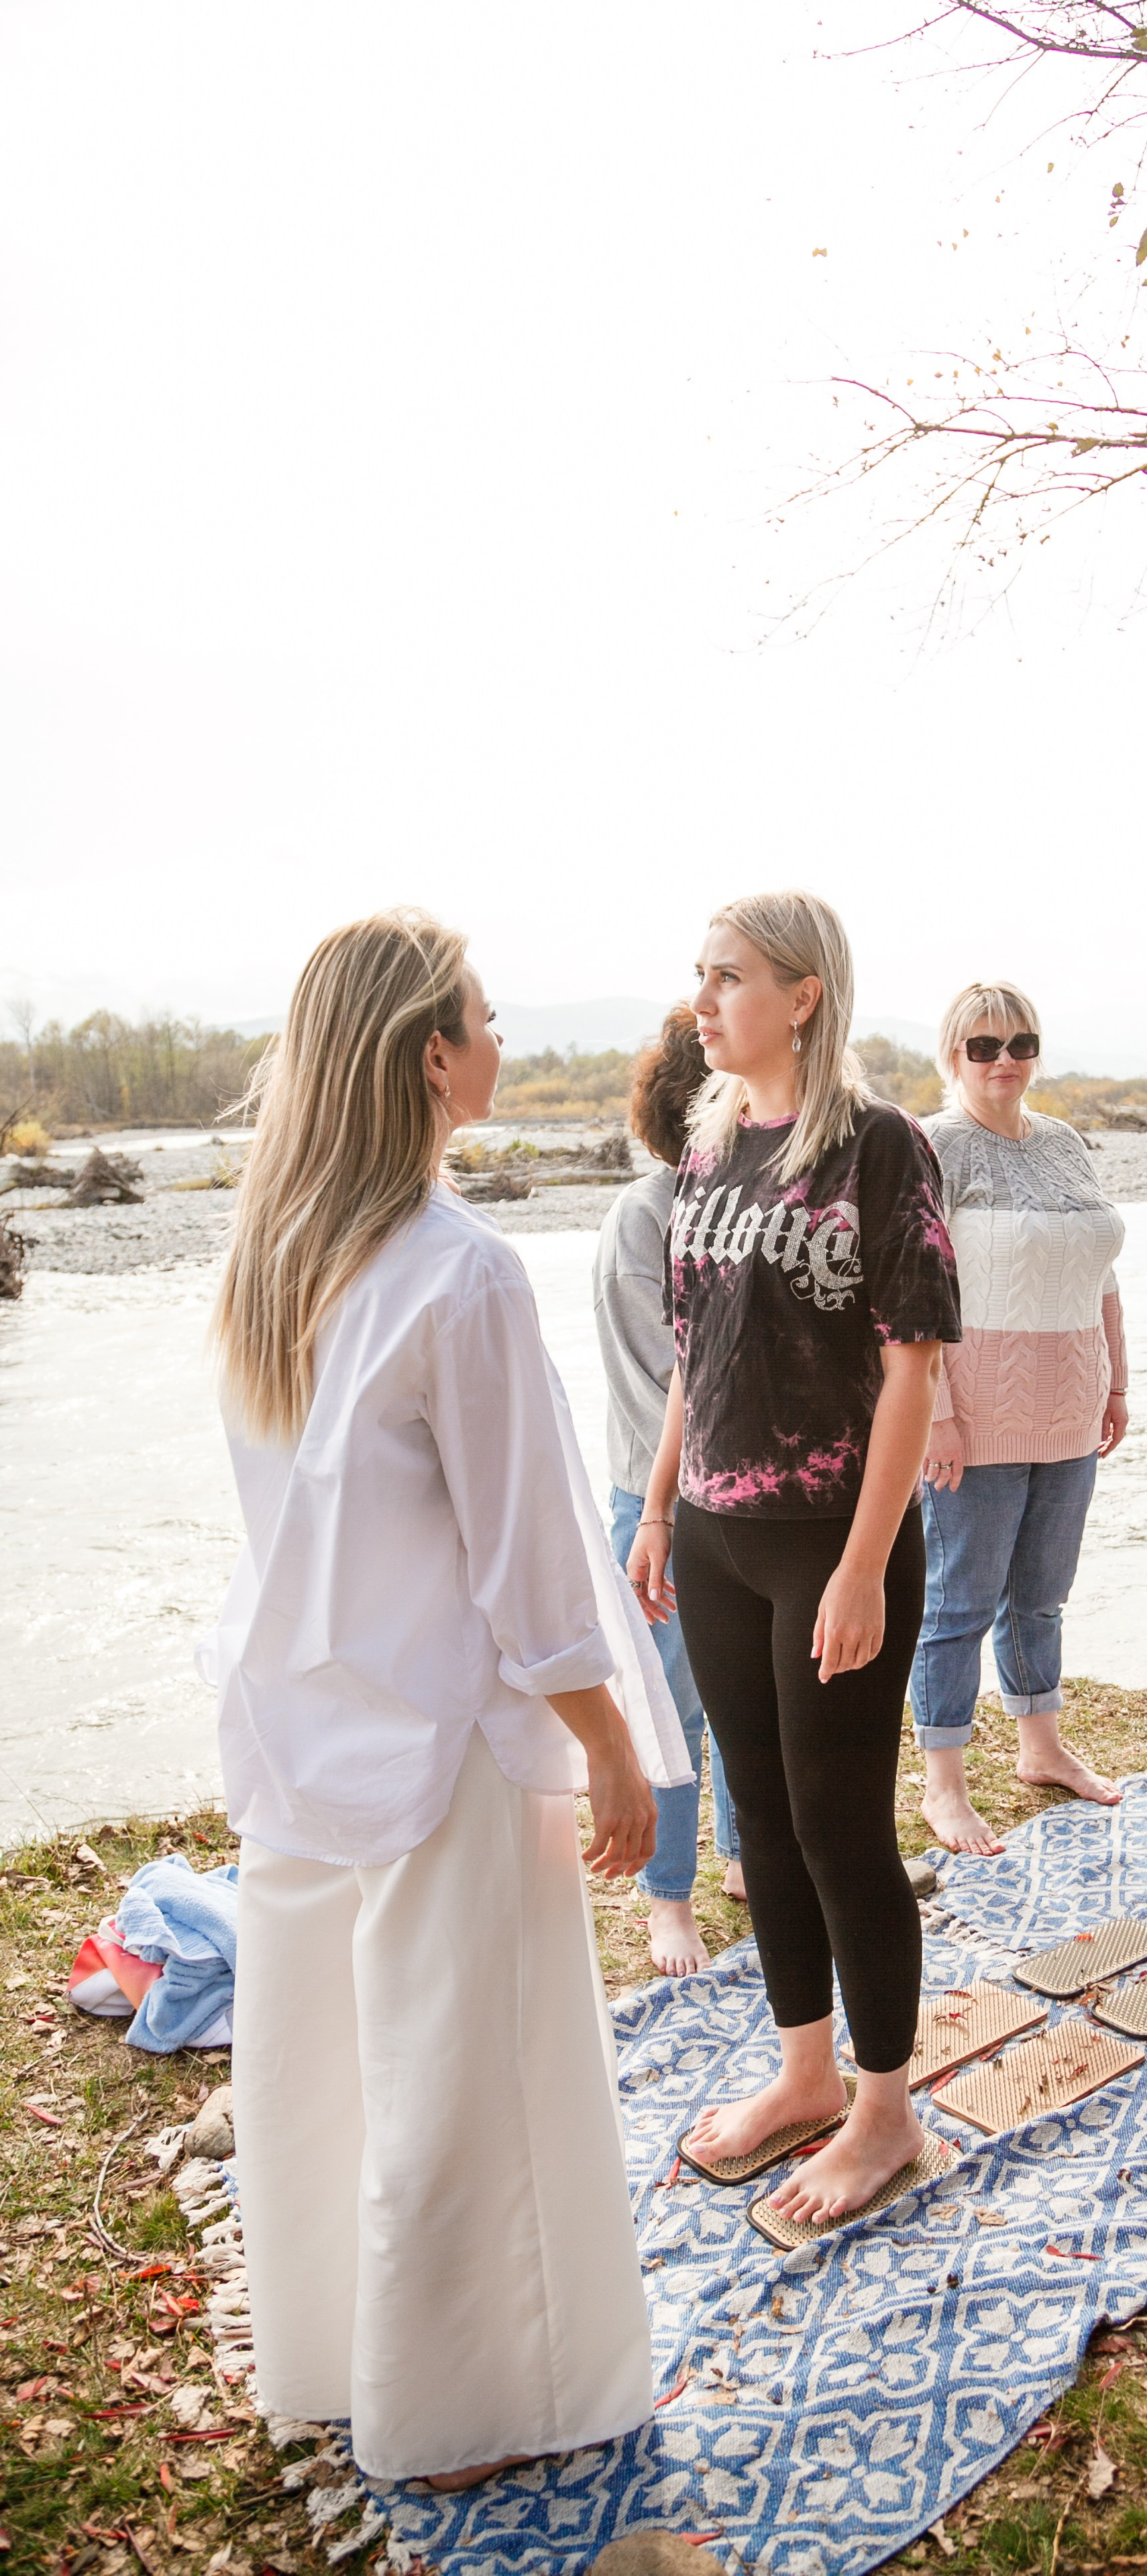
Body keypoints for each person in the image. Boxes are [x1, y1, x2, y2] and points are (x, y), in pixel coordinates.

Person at [207, 909, 688, 2491]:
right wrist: (611, 1749)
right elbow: (529, 1563)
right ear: (429, 1055)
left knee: (319, 2064)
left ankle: (336, 2363)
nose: (500, 1039)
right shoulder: (456, 1274)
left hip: (299, 1714)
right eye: (482, 1016)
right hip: (442, 1736)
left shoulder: (271, 1251)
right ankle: (468, 2410)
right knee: (466, 2075)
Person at [626, 891, 961, 2229]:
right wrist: (656, 1516)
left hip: (833, 1541)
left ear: (804, 993)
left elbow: (911, 1373)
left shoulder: (878, 1149)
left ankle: (886, 2114)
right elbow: (688, 1364)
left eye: (730, 979)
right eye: (700, 977)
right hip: (713, 1538)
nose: (704, 1003)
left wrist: (865, 1565)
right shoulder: (709, 1149)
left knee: (838, 1832)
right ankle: (806, 2076)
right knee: (759, 1829)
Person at [914, 980, 1130, 1858]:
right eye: (983, 1046)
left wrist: (1116, 1384)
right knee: (957, 1605)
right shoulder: (933, 1146)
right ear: (952, 1054)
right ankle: (944, 1787)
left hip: (1073, 1406)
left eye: (1020, 1042)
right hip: (975, 1417)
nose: (1005, 1060)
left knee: (1041, 1597)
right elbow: (909, 1291)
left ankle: (1040, 1750)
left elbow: (1102, 1272)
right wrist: (935, 1415)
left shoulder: (1067, 1143)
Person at [595, 1004, 743, 1977]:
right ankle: (669, 1899)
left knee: (752, 1697)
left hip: (751, 1493)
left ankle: (747, 1856)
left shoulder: (758, 1195)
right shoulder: (644, 1217)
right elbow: (671, 1381)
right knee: (673, 1704)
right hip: (664, 1503)